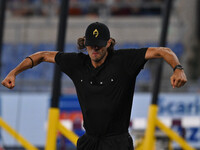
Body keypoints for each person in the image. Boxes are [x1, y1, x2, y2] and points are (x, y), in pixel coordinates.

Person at [1, 22, 187, 150]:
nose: (94, 50)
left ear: (108, 43)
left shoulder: (125, 60)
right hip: (89, 141)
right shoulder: (77, 63)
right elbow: (42, 55)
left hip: (117, 143)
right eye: (91, 46)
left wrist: (177, 68)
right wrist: (13, 72)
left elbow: (164, 51)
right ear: (85, 44)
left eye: (99, 46)